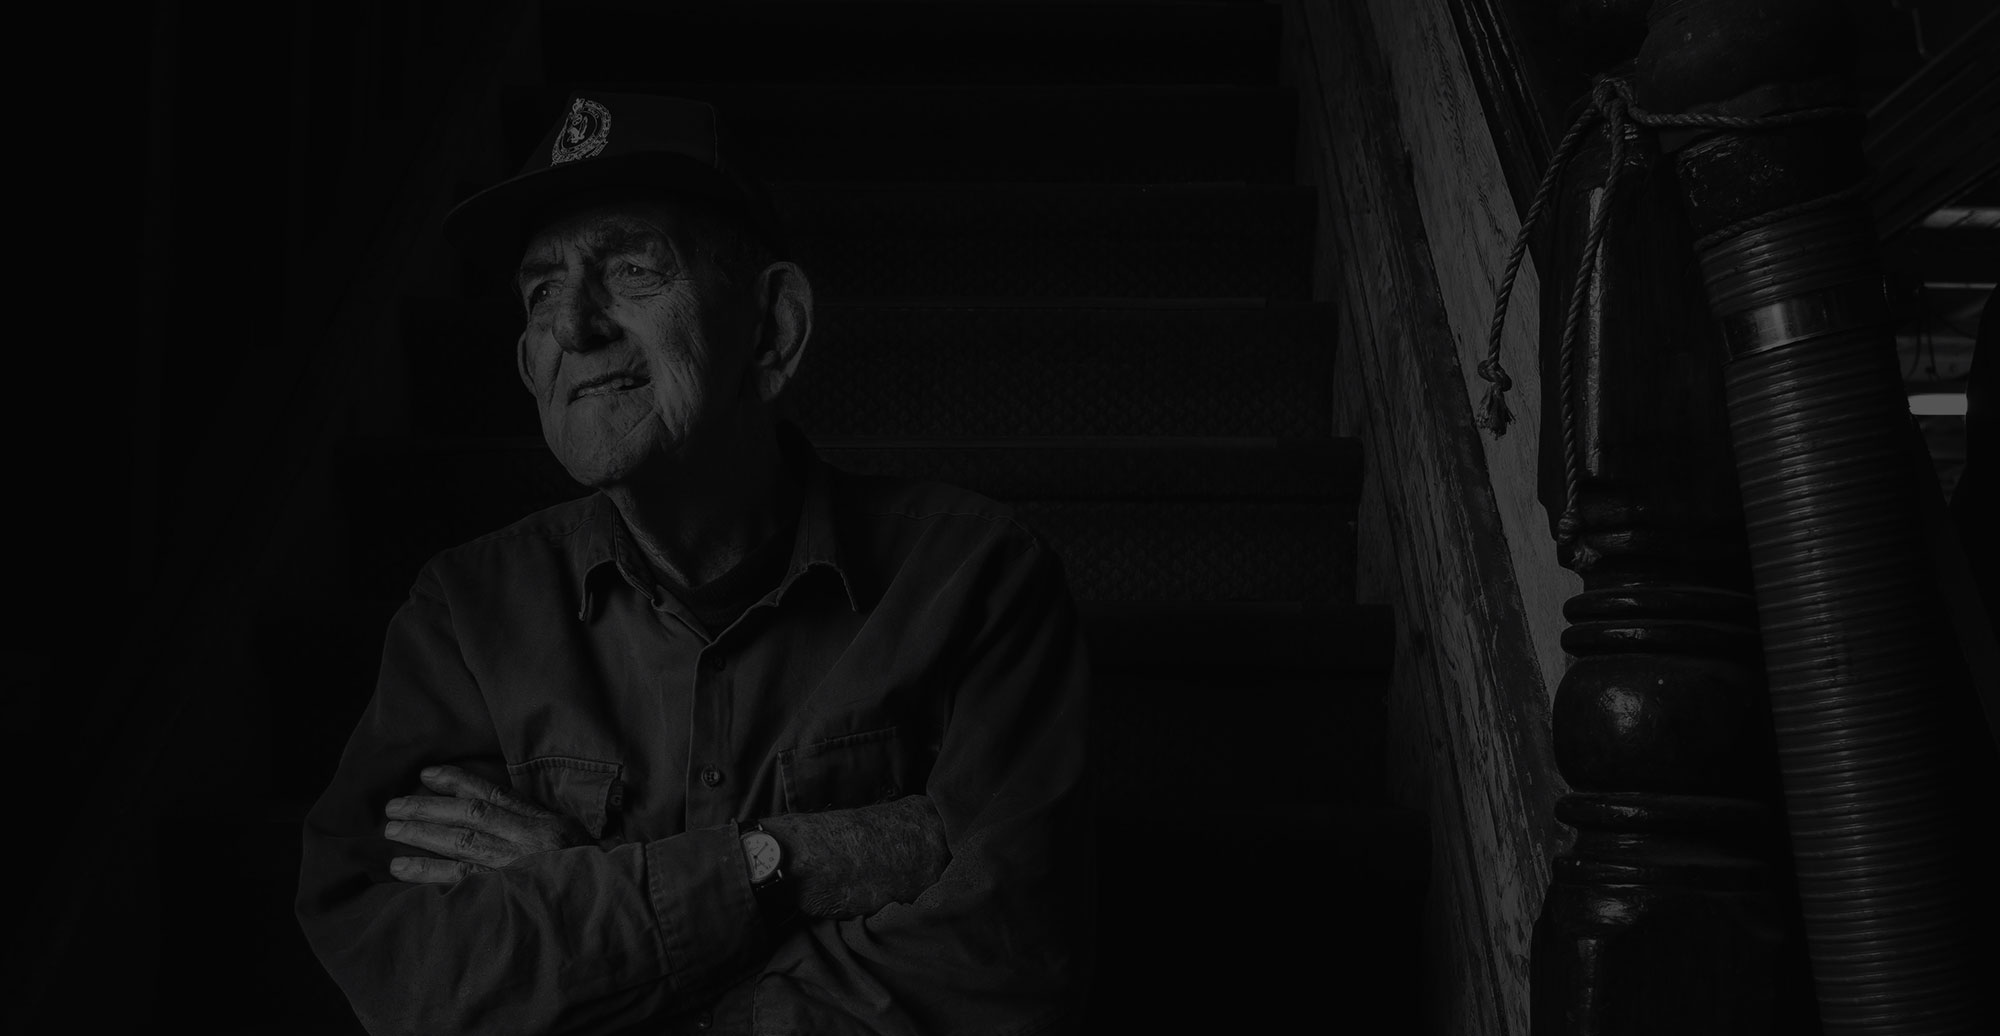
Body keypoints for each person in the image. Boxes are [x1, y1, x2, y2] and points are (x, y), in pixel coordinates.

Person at [295, 92, 1094, 1035]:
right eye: (542, 291)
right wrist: (775, 864)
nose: (573, 327)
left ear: (773, 329)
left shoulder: (975, 580)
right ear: (526, 365)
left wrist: (593, 911)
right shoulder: (465, 613)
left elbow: (994, 965)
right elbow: (412, 972)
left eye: (632, 269)